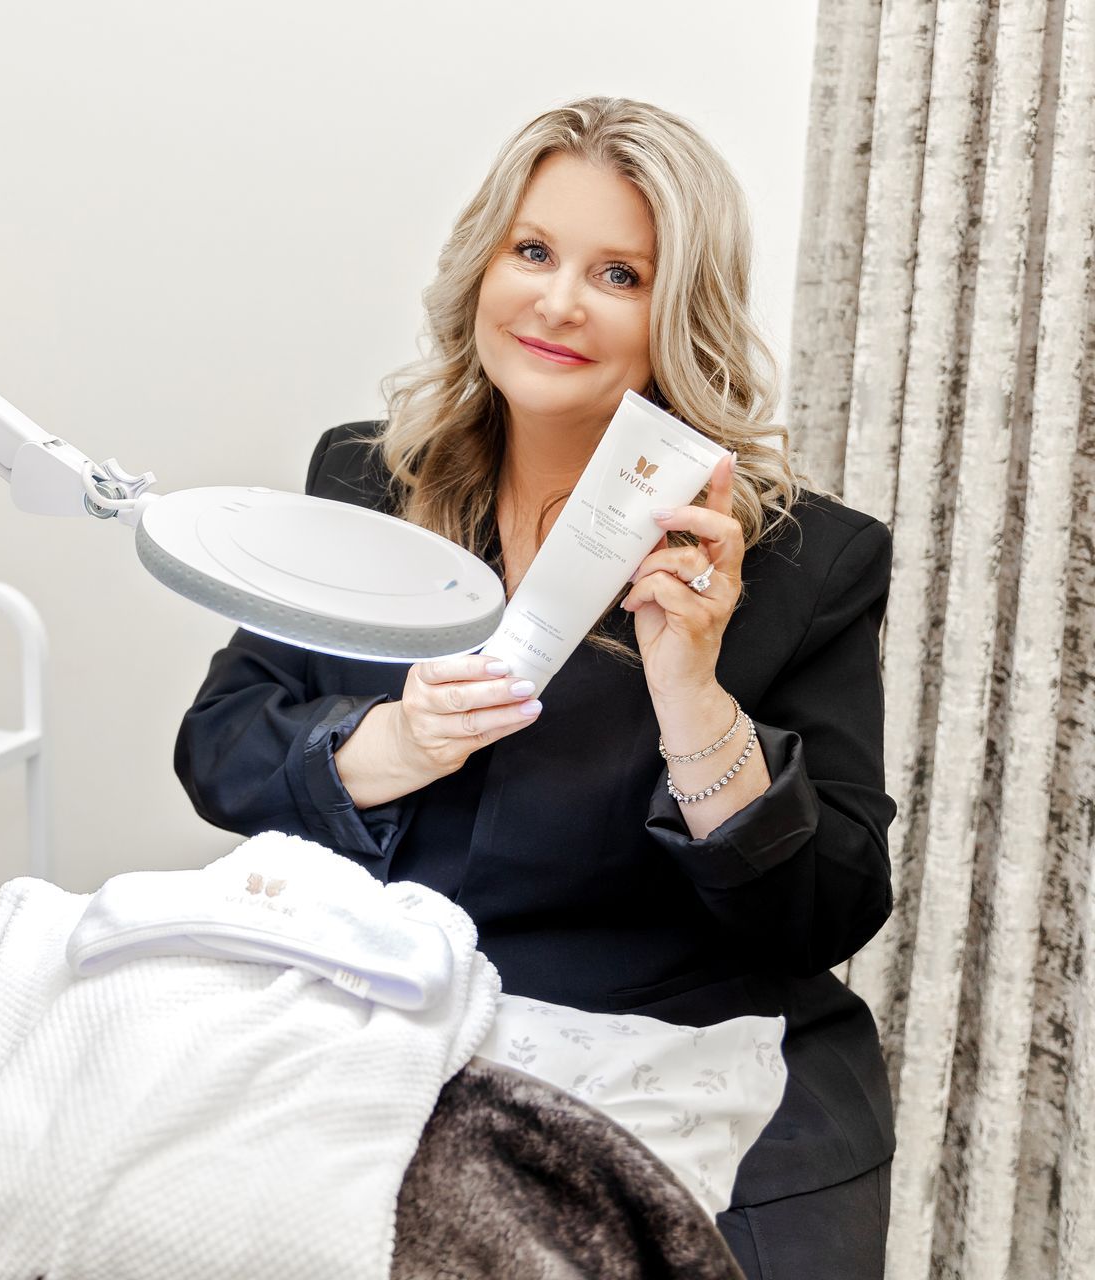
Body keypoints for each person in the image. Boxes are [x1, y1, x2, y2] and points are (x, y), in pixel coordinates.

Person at [174, 97, 895, 1279]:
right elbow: (219, 747)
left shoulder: (803, 560)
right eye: (534, 251)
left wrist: (691, 690)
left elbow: (831, 908)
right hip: (402, 1009)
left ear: (679, 313)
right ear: (481, 268)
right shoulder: (366, 479)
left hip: (686, 1040)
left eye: (618, 272)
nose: (558, 301)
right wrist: (389, 744)